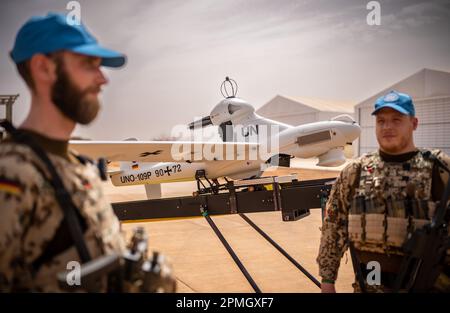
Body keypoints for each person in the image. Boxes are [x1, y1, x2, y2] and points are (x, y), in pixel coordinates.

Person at [0, 12, 174, 292]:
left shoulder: (78, 166)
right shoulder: (12, 174)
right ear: (44, 68)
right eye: (88, 64)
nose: (103, 79)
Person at [316, 90, 450, 293]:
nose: (387, 127)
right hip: (371, 280)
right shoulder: (356, 171)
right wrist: (327, 281)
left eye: (396, 120)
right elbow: (334, 227)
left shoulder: (438, 169)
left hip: (425, 283)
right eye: (381, 121)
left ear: (413, 123)